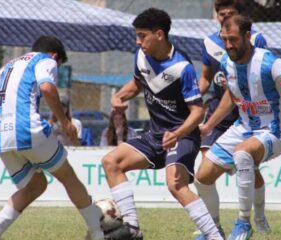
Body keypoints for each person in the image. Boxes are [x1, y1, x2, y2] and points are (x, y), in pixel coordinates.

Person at [101, 8, 223, 240]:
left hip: (183, 136)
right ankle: (133, 230)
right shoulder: (141, 57)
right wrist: (120, 97)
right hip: (155, 135)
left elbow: (197, 112)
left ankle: (215, 237)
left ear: (159, 34)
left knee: (176, 185)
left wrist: (177, 133)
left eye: (142, 35)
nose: (138, 41)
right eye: (136, 35)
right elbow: (138, 83)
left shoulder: (182, 68)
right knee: (111, 162)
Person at [196, 15, 281, 240]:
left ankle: (243, 223)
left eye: (233, 39)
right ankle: (213, 230)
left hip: (273, 132)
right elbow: (231, 97)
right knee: (202, 177)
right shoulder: (226, 63)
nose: (229, 45)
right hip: (242, 128)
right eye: (224, 40)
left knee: (243, 153)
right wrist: (208, 126)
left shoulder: (271, 63)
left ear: (247, 36)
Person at [0, 35, 104, 240]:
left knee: (35, 186)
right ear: (55, 55)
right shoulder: (45, 60)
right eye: (59, 65)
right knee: (68, 176)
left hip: (1, 136)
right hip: (27, 129)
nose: (56, 68)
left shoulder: (6, 67)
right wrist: (65, 123)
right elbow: (46, 87)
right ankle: (97, 232)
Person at [194, 1, 268, 239]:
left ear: (240, 15)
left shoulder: (256, 40)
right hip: (218, 108)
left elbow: (261, 72)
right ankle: (212, 227)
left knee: (249, 168)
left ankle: (256, 216)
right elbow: (206, 77)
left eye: (230, 14)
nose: (224, 17)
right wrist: (192, 97)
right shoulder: (209, 42)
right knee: (205, 169)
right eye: (220, 14)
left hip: (245, 112)